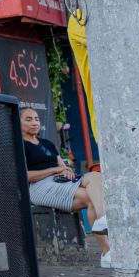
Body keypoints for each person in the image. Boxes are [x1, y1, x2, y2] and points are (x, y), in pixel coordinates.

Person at [21, 106, 110, 261]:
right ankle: (107, 251)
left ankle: (102, 223)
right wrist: (56, 170)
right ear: (18, 122)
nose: (34, 122)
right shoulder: (19, 146)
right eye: (28, 119)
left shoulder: (46, 143)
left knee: (95, 176)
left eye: (36, 119)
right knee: (90, 198)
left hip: (59, 182)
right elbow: (26, 176)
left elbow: (63, 166)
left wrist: (66, 170)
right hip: (39, 187)